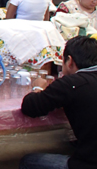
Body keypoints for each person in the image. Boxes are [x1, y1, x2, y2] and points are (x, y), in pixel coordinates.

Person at [20, 35, 97, 169]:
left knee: (28, 161)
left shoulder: (71, 84)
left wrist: (37, 87)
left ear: (70, 61)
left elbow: (30, 107)